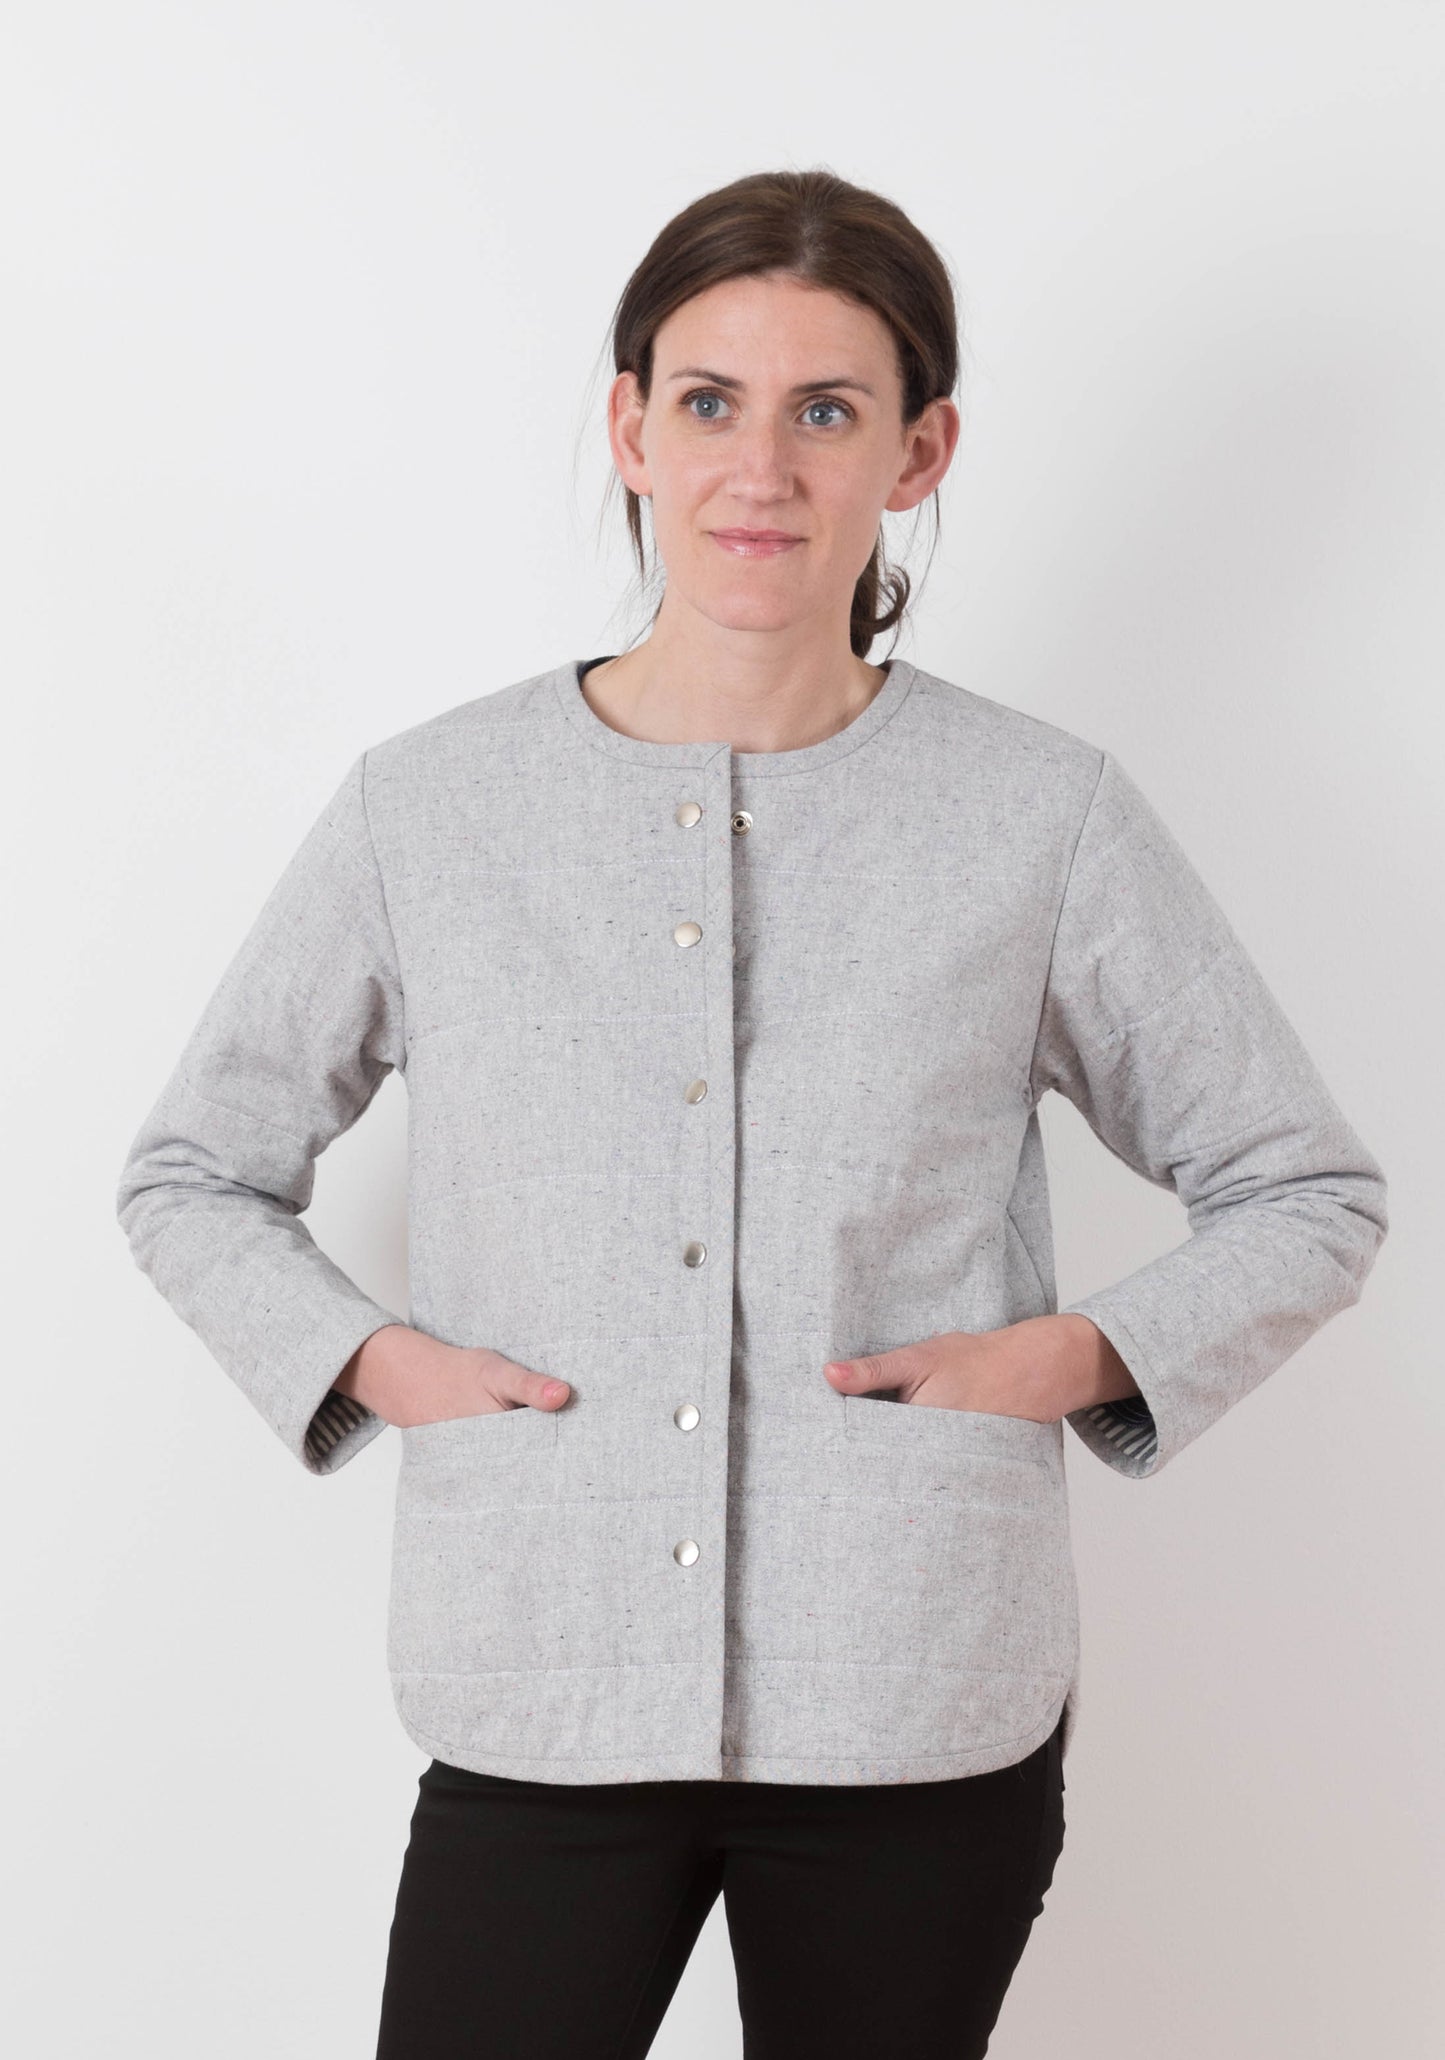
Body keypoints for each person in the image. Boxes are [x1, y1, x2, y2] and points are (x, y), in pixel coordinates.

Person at [115, 168, 1389, 2059]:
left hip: (913, 1688)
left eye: (826, 410)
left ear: (917, 450)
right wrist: (374, 1362)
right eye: (710, 402)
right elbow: (192, 1172)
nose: (760, 470)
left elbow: (1302, 1189)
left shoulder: (1037, 816)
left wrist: (1067, 1357)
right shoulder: (429, 809)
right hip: (541, 1670)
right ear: (630, 428)